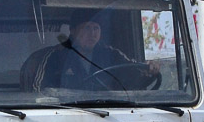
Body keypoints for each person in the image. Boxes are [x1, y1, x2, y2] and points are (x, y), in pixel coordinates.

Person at [20, 19, 153, 91]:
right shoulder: (54, 56)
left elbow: (132, 73)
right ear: (72, 30)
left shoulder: (112, 54)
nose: (92, 33)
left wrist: (150, 70)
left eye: (96, 28)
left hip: (111, 113)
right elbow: (37, 91)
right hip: (65, 116)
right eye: (87, 28)